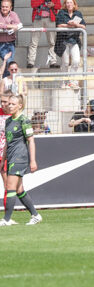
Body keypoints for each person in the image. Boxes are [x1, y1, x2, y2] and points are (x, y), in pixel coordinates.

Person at [0, 93, 40, 226]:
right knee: (19, 190)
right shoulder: (8, 121)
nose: (9, 106)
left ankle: (6, 220)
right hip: (11, 158)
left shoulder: (24, 120)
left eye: (12, 104)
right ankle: (35, 215)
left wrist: (32, 160)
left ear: (20, 106)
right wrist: (3, 161)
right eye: (9, 103)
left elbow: (31, 141)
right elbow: (7, 143)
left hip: (20, 157)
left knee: (9, 187)